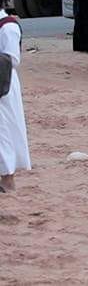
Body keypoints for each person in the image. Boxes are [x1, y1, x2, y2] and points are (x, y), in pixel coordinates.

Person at [0, 10, 28, 193]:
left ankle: (7, 178)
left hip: (4, 82)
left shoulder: (8, 26)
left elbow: (11, 59)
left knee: (3, 130)